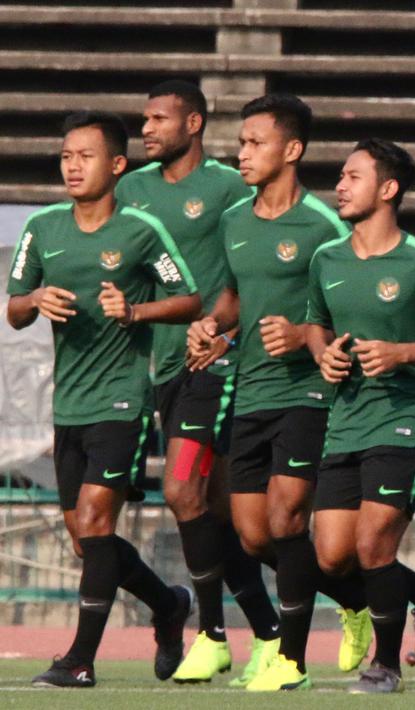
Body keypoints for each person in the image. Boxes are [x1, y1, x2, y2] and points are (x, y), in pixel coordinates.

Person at [186, 94, 370, 691]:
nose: (242, 153)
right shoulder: (234, 220)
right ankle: (360, 598)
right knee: (254, 533)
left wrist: (303, 336)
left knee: (288, 515)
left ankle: (290, 660)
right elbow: (236, 296)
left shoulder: (323, 226)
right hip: (251, 392)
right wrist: (215, 328)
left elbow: (352, 304)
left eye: (254, 142)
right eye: (240, 142)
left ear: (291, 150)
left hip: (308, 394)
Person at [8, 111, 199, 687]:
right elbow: (14, 311)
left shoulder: (141, 231)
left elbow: (189, 298)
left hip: (122, 401)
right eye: (66, 155)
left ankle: (79, 661)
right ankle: (167, 605)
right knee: (86, 541)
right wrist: (36, 297)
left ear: (116, 165)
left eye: (84, 156)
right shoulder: (43, 228)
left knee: (94, 522)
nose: (72, 165)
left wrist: (135, 311)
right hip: (69, 406)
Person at [115, 79, 280, 685]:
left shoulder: (231, 188)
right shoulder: (130, 189)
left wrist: (228, 335)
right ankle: (268, 633)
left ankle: (210, 634)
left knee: (183, 493)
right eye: (144, 119)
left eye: (158, 118)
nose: (147, 129)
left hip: (216, 366)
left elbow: (254, 271)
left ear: (194, 124)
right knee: (219, 518)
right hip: (157, 369)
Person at [304, 138, 415, 693]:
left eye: (353, 176)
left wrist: (402, 353)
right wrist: (321, 353)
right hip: (346, 419)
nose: (340, 186)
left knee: (375, 543)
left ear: (388, 188)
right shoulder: (326, 259)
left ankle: (387, 666)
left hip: (404, 418)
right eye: (341, 176)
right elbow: (315, 324)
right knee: (332, 557)